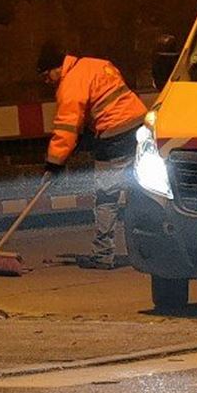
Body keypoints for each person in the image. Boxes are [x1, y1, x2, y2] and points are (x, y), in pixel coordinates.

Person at [36, 42, 147, 270]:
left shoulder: (70, 84)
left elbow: (66, 129)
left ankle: (103, 255)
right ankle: (150, 251)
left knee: (107, 196)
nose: (48, 81)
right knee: (144, 191)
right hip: (140, 127)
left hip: (114, 135)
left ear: (57, 67)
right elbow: (103, 102)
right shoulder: (96, 65)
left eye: (47, 75)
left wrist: (54, 165)